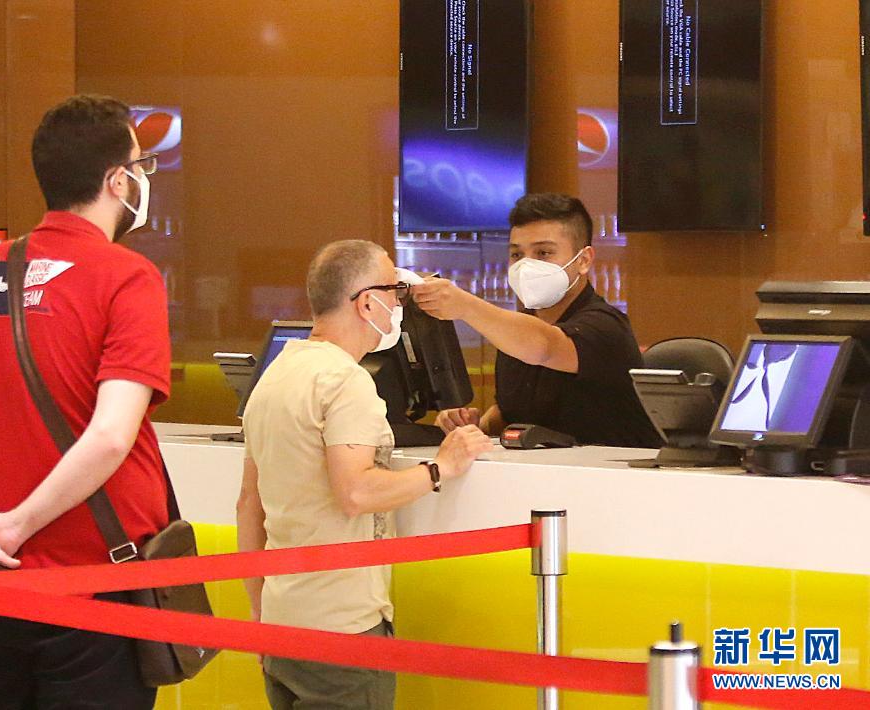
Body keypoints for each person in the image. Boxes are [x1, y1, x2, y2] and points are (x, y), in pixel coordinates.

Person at [0, 94, 170, 709]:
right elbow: (111, 435)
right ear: (117, 180)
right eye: (141, 165)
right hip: (97, 584)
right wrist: (19, 523)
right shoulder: (127, 277)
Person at [236, 239, 492, 710]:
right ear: (367, 302)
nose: (399, 305)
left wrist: (259, 612)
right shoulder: (346, 381)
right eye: (395, 291)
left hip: (281, 623)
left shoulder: (275, 374)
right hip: (343, 629)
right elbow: (355, 491)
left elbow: (249, 506)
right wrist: (441, 467)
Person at [412, 193, 661, 448]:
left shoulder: (605, 326)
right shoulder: (516, 332)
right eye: (516, 255)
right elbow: (512, 412)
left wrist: (466, 306)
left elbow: (545, 347)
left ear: (584, 260)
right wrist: (473, 427)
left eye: (543, 253)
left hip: (611, 469)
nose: (526, 265)